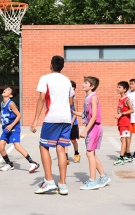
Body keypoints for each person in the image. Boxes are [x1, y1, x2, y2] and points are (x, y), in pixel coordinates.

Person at [31, 55, 74, 195]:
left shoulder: (46, 78)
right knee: (61, 149)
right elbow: (71, 102)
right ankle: (62, 184)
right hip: (66, 118)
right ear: (62, 67)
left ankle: (49, 181)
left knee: (43, 146)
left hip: (52, 118)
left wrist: (35, 120)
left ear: (51, 65)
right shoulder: (67, 80)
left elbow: (41, 99)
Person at [0, 86, 40, 173]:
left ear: (10, 95)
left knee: (17, 146)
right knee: (0, 146)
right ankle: (9, 164)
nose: (5, 90)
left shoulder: (11, 103)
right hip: (6, 129)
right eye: (5, 89)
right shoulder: (2, 104)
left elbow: (19, 115)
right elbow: (1, 116)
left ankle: (32, 162)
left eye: (8, 90)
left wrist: (12, 125)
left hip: (14, 128)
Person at [71, 76, 110, 190]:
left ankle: (92, 181)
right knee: (91, 154)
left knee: (89, 154)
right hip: (91, 127)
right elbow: (84, 114)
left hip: (94, 128)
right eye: (84, 83)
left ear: (92, 86)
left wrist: (85, 130)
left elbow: (93, 117)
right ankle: (103, 176)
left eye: (86, 83)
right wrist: (72, 111)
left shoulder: (93, 98)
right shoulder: (87, 97)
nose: (83, 84)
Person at [114, 81, 134, 166]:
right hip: (121, 122)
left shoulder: (126, 99)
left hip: (125, 122)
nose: (117, 89)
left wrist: (121, 114)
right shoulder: (120, 99)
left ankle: (121, 157)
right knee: (123, 139)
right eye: (117, 87)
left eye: (119, 87)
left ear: (125, 89)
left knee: (123, 140)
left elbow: (132, 110)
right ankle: (128, 155)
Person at [65, 80, 81, 164]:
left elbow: (76, 112)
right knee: (65, 140)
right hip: (65, 122)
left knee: (73, 140)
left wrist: (71, 121)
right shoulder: (64, 98)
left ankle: (76, 154)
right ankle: (66, 157)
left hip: (73, 122)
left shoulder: (74, 98)